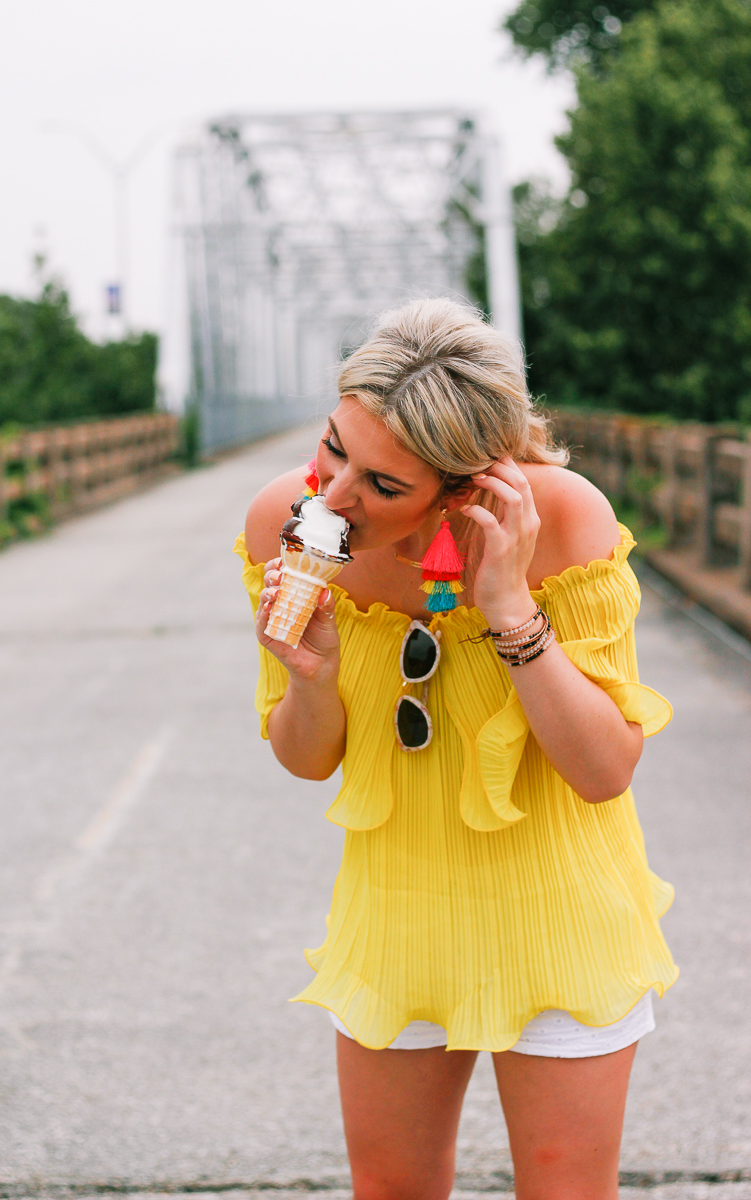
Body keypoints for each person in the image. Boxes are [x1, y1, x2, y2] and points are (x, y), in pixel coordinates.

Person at [236, 298, 677, 1200]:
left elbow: (603, 770)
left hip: (559, 913)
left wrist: (511, 609)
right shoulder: (282, 519)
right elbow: (305, 757)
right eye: (332, 446)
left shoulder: (564, 521)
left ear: (470, 484)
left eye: (384, 485)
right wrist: (312, 676)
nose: (333, 494)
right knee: (389, 1187)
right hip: (396, 909)